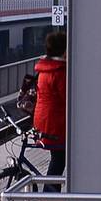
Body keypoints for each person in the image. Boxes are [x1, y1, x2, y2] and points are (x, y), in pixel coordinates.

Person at [30, 30, 68, 179]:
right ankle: (50, 200)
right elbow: (70, 99)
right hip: (56, 123)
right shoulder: (59, 72)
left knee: (57, 159)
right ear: (65, 50)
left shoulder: (44, 68)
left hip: (44, 120)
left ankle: (51, 198)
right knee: (59, 161)